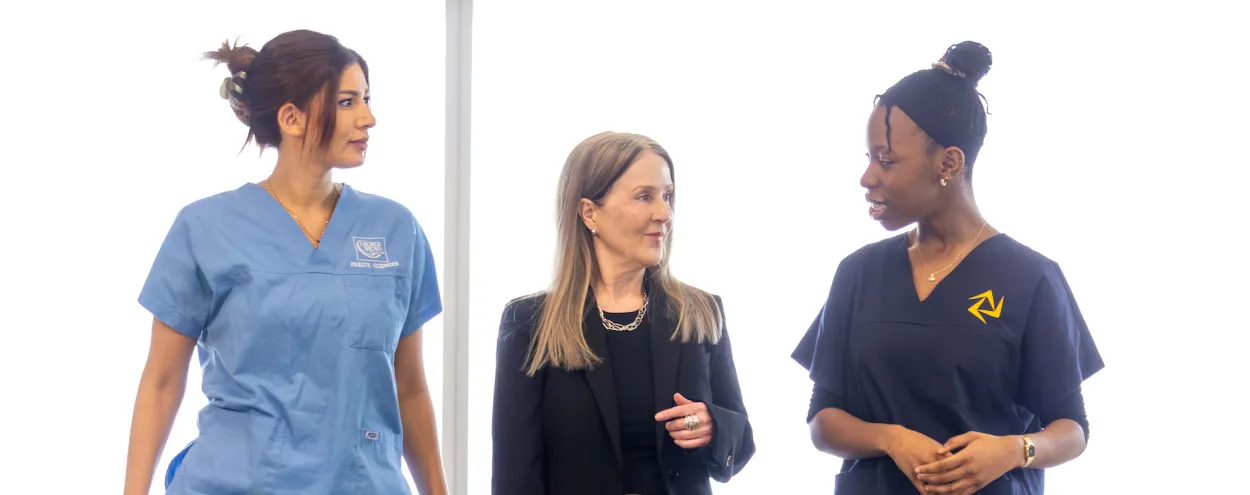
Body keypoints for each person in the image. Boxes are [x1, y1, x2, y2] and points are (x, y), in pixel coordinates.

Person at [122, 30, 447, 495]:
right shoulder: (205, 228)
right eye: (348, 102)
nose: (369, 118)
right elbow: (160, 382)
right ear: (292, 117)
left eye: (368, 99)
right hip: (234, 484)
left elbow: (410, 388)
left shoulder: (396, 229)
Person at [792, 41, 1104, 495]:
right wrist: (892, 438)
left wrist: (1014, 450)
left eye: (887, 160)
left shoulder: (1031, 278)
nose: (867, 178)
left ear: (949, 163)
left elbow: (1072, 429)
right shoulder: (858, 273)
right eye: (868, 158)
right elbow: (824, 422)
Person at [491, 132, 755, 495]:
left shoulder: (700, 312)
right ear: (589, 212)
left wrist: (714, 429)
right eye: (644, 196)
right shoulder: (530, 323)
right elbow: (515, 476)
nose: (664, 213)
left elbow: (741, 445)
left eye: (667, 196)